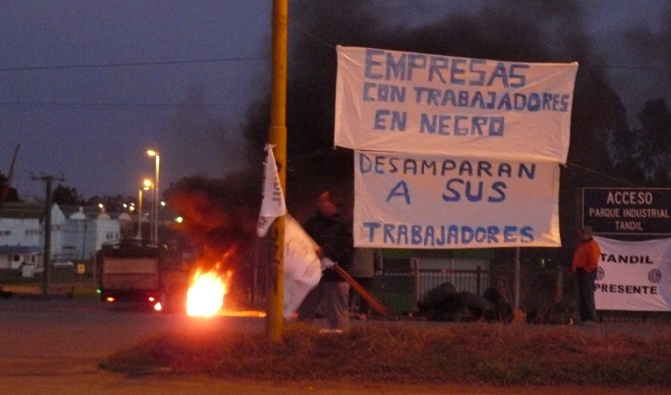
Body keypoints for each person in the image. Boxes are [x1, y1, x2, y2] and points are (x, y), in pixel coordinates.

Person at [297, 190, 354, 330]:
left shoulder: (346, 222)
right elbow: (302, 237)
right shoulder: (314, 220)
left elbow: (347, 245)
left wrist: (326, 251)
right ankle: (300, 337)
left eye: (322, 201)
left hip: (335, 275)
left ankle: (340, 339)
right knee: (306, 310)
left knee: (336, 312)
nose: (319, 204)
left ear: (332, 203)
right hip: (313, 273)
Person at [571, 225, 601, 325]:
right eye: (581, 234)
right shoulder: (584, 245)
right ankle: (585, 318)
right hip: (581, 272)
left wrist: (587, 270)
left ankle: (591, 318)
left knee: (587, 296)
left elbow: (593, 260)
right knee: (582, 296)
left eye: (583, 234)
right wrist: (575, 270)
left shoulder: (592, 245)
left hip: (586, 273)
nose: (581, 235)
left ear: (588, 234)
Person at [348, 247, 381, 319]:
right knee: (365, 294)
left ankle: (348, 311)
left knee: (350, 293)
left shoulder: (353, 240)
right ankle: (363, 313)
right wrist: (377, 267)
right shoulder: (371, 242)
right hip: (368, 272)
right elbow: (377, 256)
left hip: (352, 272)